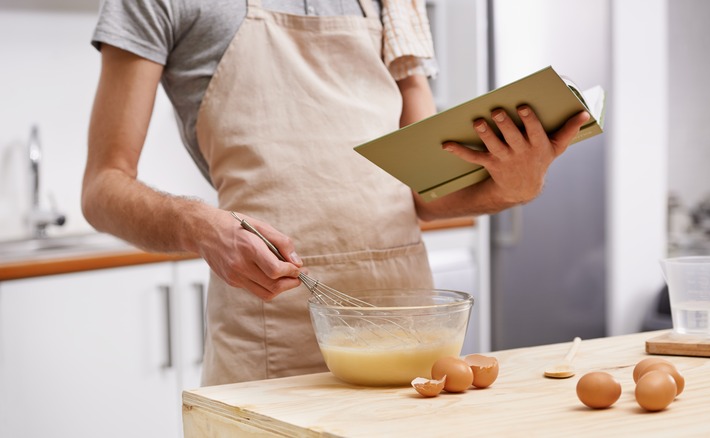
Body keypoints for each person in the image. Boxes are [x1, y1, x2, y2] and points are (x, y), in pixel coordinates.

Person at [83, 0, 590, 386]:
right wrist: (198, 225)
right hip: (269, 337)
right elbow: (102, 186)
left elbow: (425, 192)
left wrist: (512, 187)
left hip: (406, 327)